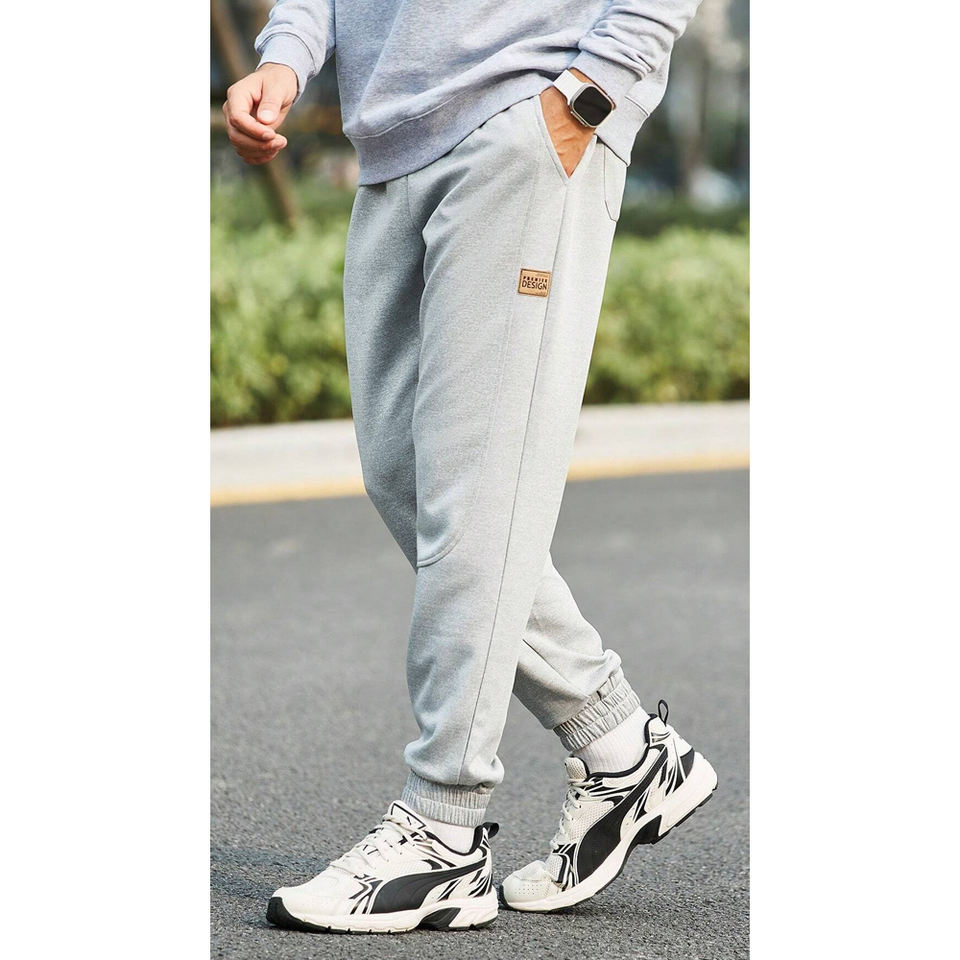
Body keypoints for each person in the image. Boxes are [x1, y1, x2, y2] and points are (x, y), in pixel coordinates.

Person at [223, 0, 715, 935]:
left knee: (478, 489)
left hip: (530, 112)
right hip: (391, 137)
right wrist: (287, 55)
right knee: (406, 477)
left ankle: (443, 829)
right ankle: (621, 745)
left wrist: (591, 93)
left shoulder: (555, 111)